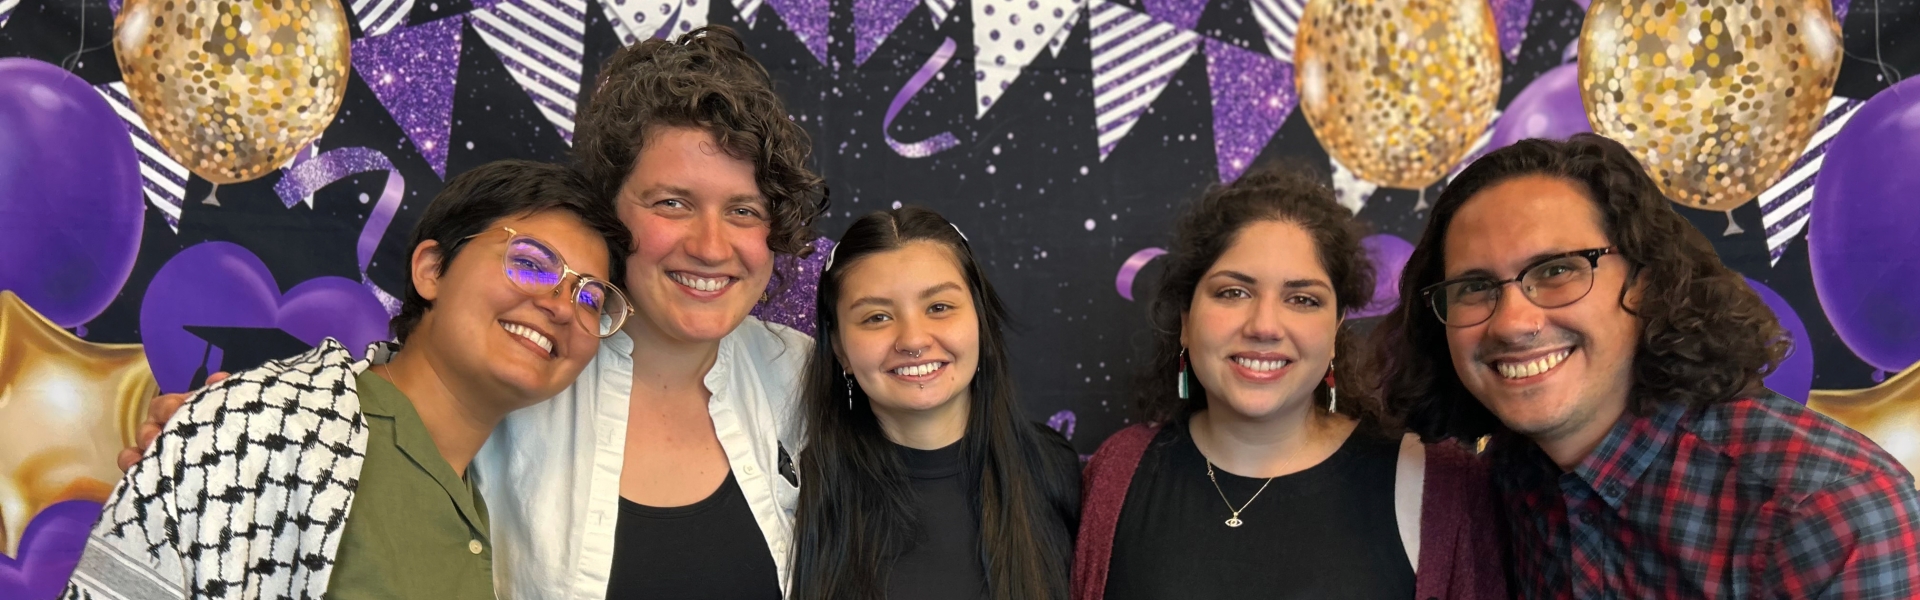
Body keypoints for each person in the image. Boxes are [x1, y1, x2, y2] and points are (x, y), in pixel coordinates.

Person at [120, 26, 830, 599]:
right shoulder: (519, 374)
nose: (711, 245)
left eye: (745, 211)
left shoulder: (805, 378)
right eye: (672, 202)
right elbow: (364, 422)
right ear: (610, 215)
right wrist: (228, 437)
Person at [1373, 134, 1920, 598]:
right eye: (1475, 287)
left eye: (1558, 270)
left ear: (1647, 280)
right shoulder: (1499, 479)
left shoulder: (1831, 511)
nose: (1513, 322)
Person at [69, 160, 632, 599]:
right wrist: (217, 432)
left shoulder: (508, 510)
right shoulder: (266, 431)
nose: (563, 306)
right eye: (531, 262)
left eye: (590, 297)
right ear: (432, 270)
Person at [1073, 165, 1504, 600]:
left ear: (1336, 329)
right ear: (1186, 321)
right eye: (1233, 292)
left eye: (1302, 299)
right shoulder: (1117, 472)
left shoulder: (1436, 483)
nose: (1265, 326)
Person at [788, 207, 1080, 600]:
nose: (913, 339)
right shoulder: (799, 489)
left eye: (939, 308)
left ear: (980, 319)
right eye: (876, 317)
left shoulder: (1054, 469)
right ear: (839, 348)